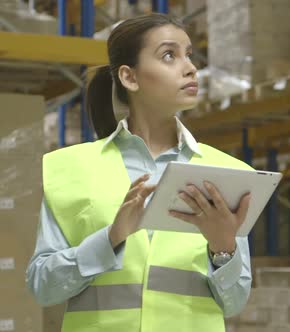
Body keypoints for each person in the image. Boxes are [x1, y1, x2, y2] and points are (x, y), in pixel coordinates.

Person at [26, 13, 252, 332]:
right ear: (130, 77)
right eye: (169, 55)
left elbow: (235, 302)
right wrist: (111, 238)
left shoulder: (226, 173)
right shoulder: (70, 169)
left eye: (190, 54)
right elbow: (42, 288)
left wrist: (223, 248)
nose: (190, 67)